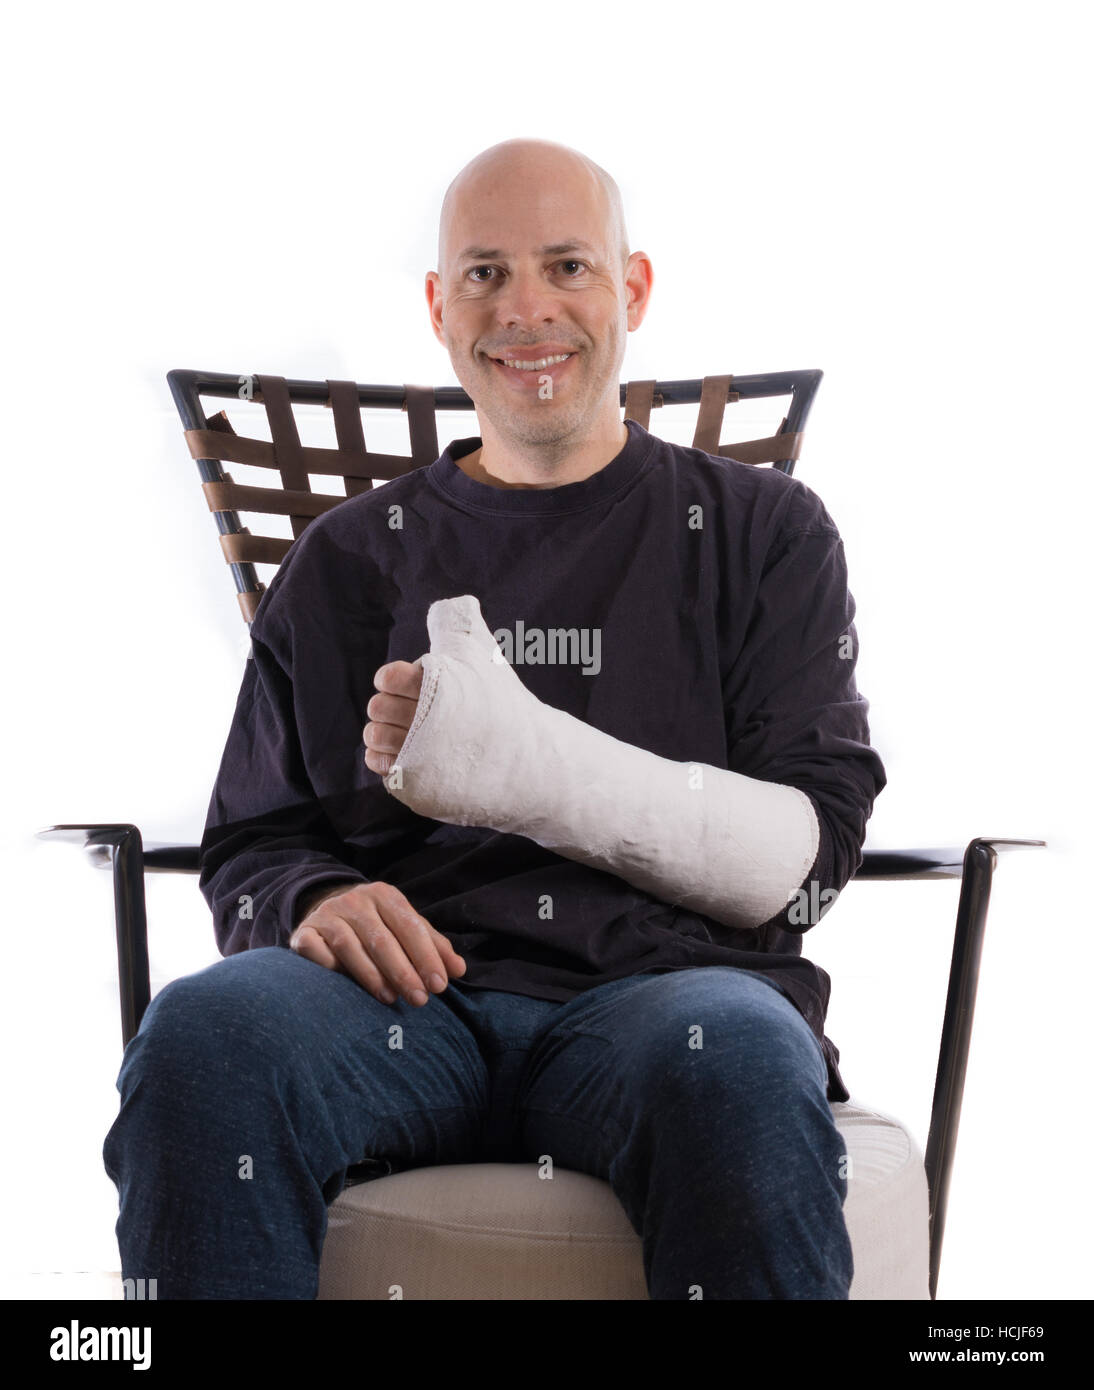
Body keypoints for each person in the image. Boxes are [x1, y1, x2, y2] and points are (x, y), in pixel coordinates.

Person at [103, 137, 886, 1300]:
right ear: (435, 305)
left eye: (567, 266)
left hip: (662, 999)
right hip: (398, 1008)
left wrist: (534, 769)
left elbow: (804, 857)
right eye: (482, 274)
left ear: (632, 289)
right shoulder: (347, 560)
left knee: (733, 1060)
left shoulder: (763, 531)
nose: (525, 309)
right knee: (202, 1035)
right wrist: (315, 896)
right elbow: (253, 841)